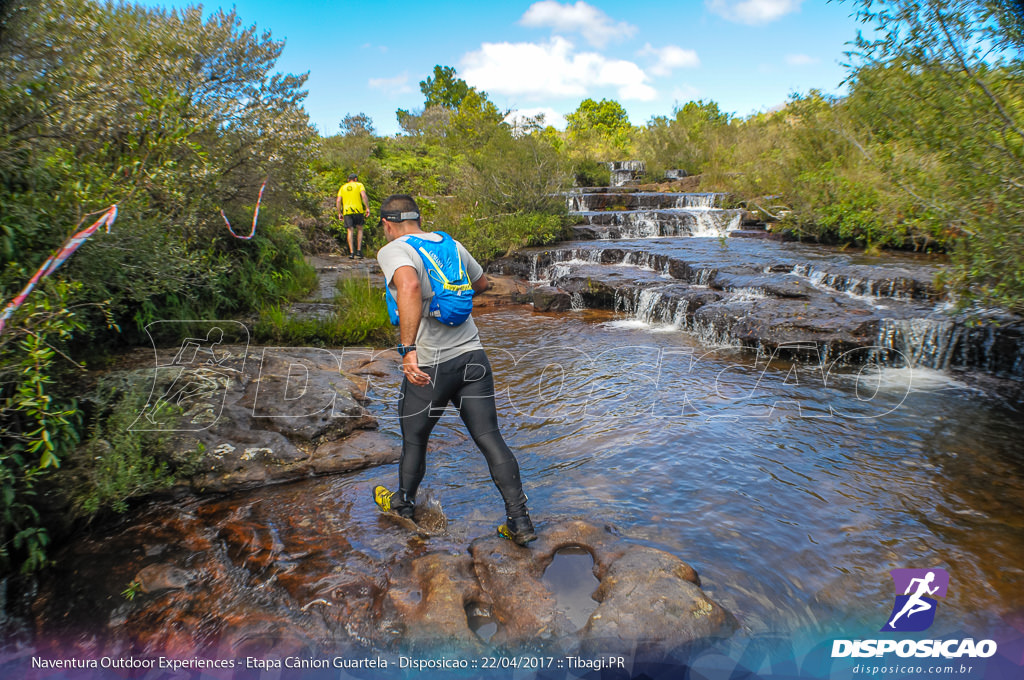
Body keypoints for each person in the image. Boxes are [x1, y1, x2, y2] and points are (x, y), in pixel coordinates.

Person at [372, 194, 537, 546]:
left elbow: (410, 286)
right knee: (491, 439)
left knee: (415, 440)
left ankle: (402, 505)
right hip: (472, 357)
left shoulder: (393, 250)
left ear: (387, 224)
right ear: (417, 217)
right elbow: (481, 284)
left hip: (430, 365)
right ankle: (520, 522)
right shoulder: (451, 244)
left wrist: (408, 350)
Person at [336, 172, 370, 258]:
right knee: (359, 229)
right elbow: (363, 196)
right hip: (358, 210)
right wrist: (367, 207)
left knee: (350, 231)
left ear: (348, 180)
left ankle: (351, 252)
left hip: (347, 211)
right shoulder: (359, 185)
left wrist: (339, 212)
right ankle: (359, 251)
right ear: (355, 179)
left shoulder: (343, 187)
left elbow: (338, 201)